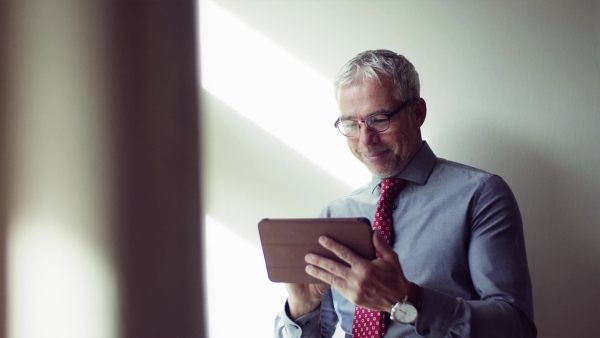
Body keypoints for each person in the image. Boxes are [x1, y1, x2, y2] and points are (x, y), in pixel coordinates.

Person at [274, 49, 536, 338]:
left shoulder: (481, 195)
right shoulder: (336, 215)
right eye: (351, 123)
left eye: (380, 119)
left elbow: (517, 328)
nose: (366, 139)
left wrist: (410, 299)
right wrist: (301, 311)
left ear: (418, 113)